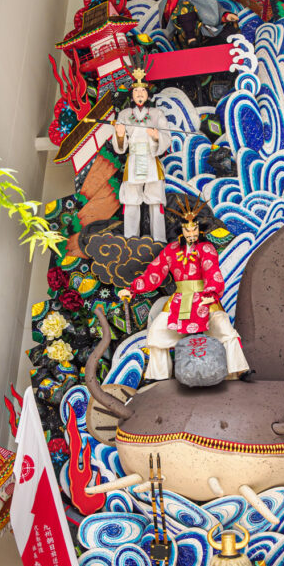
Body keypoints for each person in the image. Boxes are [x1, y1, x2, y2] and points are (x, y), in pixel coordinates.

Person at [118, 196, 249, 381]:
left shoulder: (206, 248)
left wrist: (211, 293)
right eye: (187, 230)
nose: (191, 233)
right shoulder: (171, 250)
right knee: (157, 331)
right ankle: (158, 375)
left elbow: (212, 270)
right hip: (179, 300)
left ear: (199, 228)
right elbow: (154, 273)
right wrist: (132, 290)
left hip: (204, 297)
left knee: (224, 328)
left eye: (194, 228)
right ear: (180, 230)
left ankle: (239, 369)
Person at [111, 71, 171, 242]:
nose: (139, 95)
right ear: (131, 95)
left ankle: (159, 239)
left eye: (142, 92)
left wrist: (157, 136)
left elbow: (167, 136)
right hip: (134, 158)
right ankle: (130, 239)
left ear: (148, 94)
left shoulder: (156, 114)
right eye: (136, 92)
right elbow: (119, 146)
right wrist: (120, 135)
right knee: (131, 200)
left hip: (151, 158)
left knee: (156, 199)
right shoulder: (123, 115)